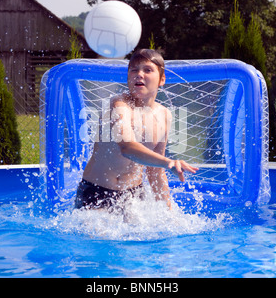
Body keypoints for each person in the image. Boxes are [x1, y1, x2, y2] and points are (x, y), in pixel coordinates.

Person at [75, 49, 198, 210]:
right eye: (134, 70)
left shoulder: (164, 115)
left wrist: (169, 212)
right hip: (97, 193)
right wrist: (168, 162)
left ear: (162, 79)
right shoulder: (119, 104)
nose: (139, 74)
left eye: (147, 70)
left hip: (132, 196)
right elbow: (127, 147)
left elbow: (155, 171)